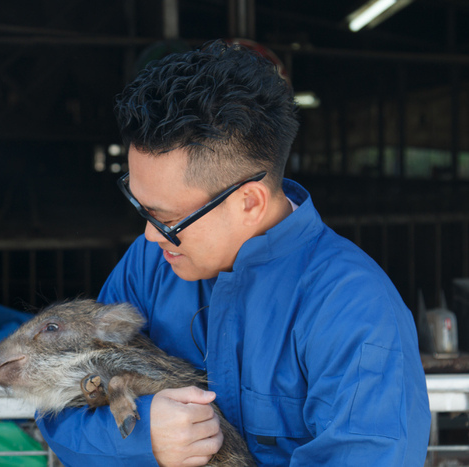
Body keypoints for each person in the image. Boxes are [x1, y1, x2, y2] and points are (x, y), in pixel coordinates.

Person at [36, 40, 431, 466]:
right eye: (140, 207)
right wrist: (143, 436)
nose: (149, 236)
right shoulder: (147, 267)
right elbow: (61, 409)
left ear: (249, 203)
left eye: (166, 218)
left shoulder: (355, 308)